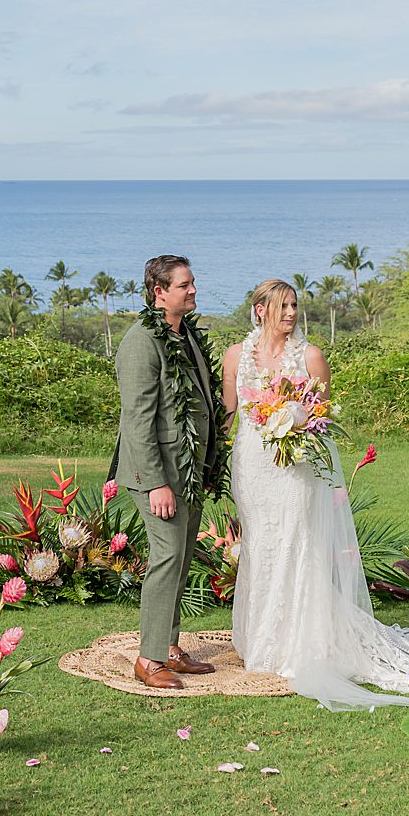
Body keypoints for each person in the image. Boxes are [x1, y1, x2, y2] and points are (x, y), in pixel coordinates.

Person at [222, 278, 409, 707]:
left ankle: (296, 645)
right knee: (261, 546)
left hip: (295, 469)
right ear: (260, 310)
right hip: (251, 466)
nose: (291, 313)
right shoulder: (236, 357)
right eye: (282, 306)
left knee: (296, 544)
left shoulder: (311, 357)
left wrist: (295, 425)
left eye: (294, 306)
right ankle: (259, 639)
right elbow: (229, 415)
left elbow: (321, 420)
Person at [114, 255, 228, 690]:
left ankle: (170, 647)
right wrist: (156, 482)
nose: (193, 290)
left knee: (180, 558)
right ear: (159, 291)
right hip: (157, 474)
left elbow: (201, 404)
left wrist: (209, 463)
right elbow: (137, 420)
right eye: (184, 285)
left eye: (193, 282)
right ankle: (148, 660)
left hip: (190, 470)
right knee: (166, 558)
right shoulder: (142, 341)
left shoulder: (187, 335)